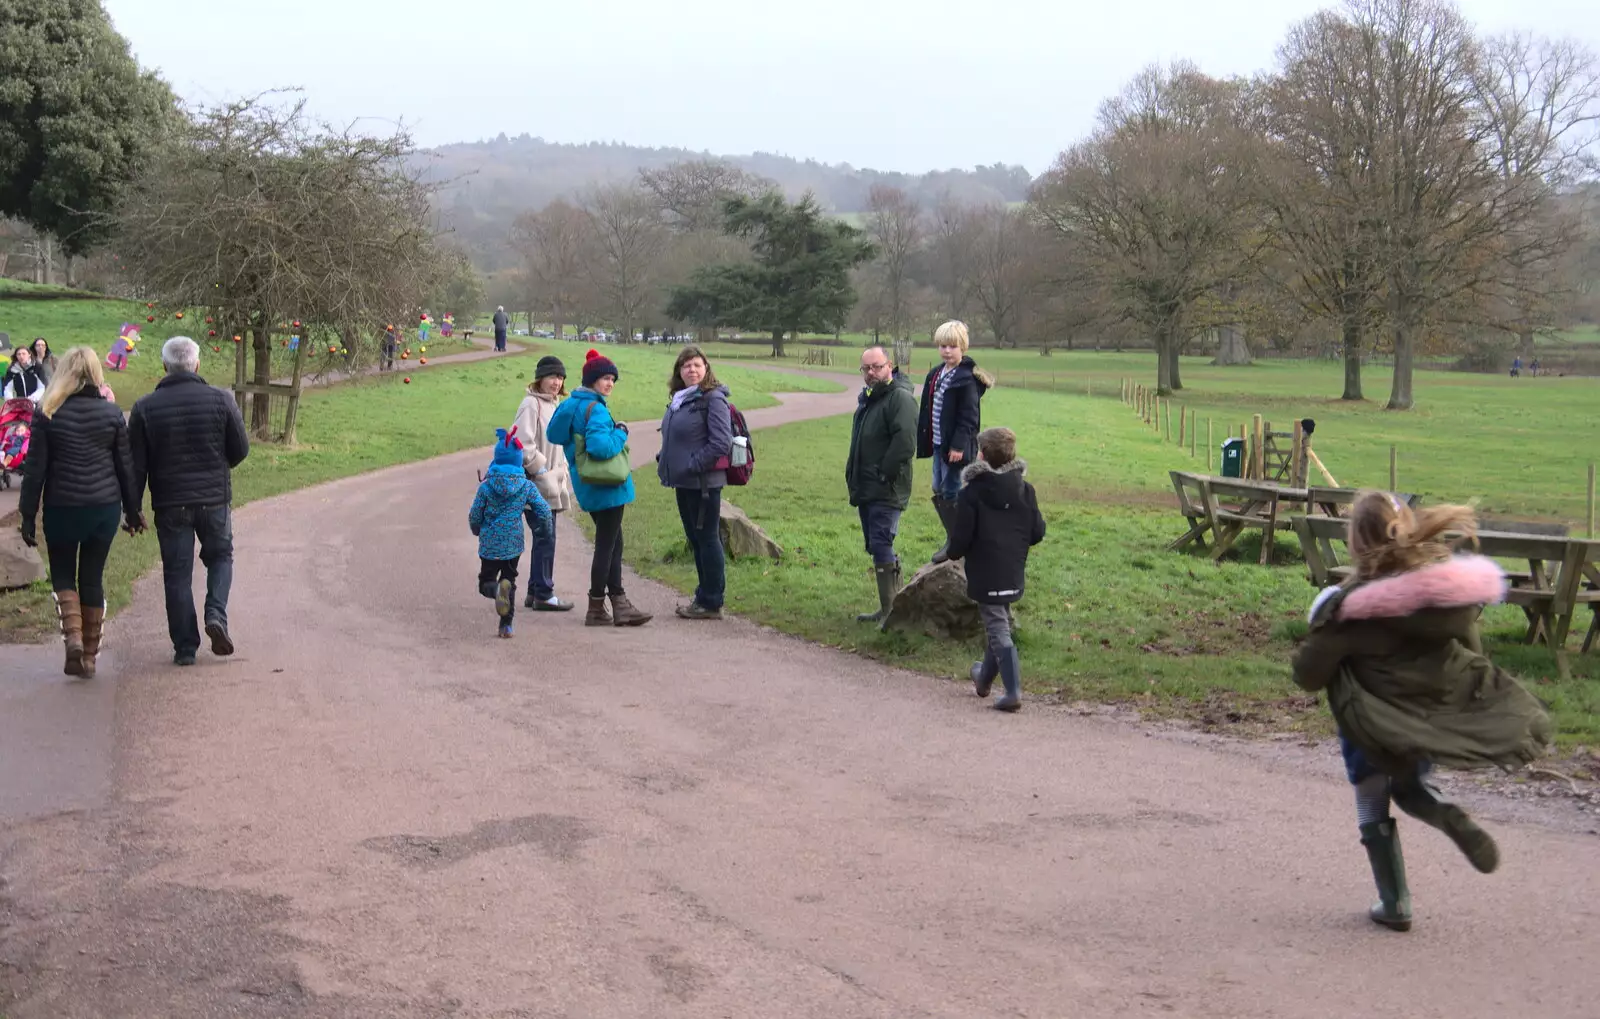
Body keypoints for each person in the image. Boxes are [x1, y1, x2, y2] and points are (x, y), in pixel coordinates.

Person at [1291, 492, 1552, 933]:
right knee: (1409, 789)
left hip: (1371, 727)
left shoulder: (1350, 609)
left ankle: (1395, 903)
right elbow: (1470, 653)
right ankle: (1440, 809)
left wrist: (1320, 625)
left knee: (1372, 804)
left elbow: (1309, 674)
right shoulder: (1442, 601)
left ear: (1355, 542)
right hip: (1425, 723)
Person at [17, 347, 143, 678]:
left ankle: (72, 639)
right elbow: (125, 468)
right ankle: (88, 656)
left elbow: (35, 471)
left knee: (62, 574)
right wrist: (133, 511)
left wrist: (28, 516)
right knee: (91, 577)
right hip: (103, 509)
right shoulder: (112, 414)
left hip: (62, 507)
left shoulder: (48, 412)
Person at [129, 336, 250, 667]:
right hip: (214, 499)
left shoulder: (143, 408)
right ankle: (216, 614)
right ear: (197, 364)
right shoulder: (221, 399)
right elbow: (240, 450)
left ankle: (184, 647)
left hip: (170, 503)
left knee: (177, 574)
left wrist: (132, 508)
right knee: (221, 556)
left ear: (164, 366)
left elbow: (135, 467)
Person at [546, 349, 651, 628]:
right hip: (608, 486)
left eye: (612, 379)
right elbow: (600, 447)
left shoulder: (570, 404)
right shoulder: (598, 410)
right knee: (608, 545)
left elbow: (554, 434)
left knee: (613, 542)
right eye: (605, 378)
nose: (609, 384)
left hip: (587, 484)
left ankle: (616, 604)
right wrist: (621, 432)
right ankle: (599, 606)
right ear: (592, 379)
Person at [945, 428, 1046, 712]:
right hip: (1012, 569)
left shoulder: (971, 493)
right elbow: (1037, 532)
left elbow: (961, 539)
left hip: (985, 571)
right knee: (998, 621)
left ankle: (1013, 691)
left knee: (998, 627)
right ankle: (984, 679)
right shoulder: (1026, 491)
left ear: (983, 455)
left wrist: (952, 553)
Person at [657, 346, 733, 620]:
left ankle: (712, 601)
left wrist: (693, 465)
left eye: (697, 365)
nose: (692, 369)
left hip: (703, 484)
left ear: (706, 369)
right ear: (679, 371)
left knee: (707, 538)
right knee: (696, 539)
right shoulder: (682, 399)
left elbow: (720, 442)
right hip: (685, 482)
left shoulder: (713, 399)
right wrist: (665, 458)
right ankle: (704, 597)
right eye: (686, 365)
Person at [845, 345, 918, 626]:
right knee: (876, 546)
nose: (871, 373)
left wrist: (884, 474)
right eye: (866, 368)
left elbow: (904, 443)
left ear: (890, 366)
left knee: (881, 542)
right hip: (867, 485)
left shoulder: (899, 398)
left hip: (886, 487)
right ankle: (890, 607)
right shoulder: (870, 398)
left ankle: (891, 612)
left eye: (877, 367)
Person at [917, 320, 990, 563]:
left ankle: (957, 542)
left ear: (963, 348)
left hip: (956, 448)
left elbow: (969, 417)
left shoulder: (966, 379)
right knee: (938, 488)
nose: (947, 351)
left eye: (952, 346)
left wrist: (958, 446)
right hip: (939, 443)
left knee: (951, 491)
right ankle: (956, 538)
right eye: (942, 346)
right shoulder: (938, 373)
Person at [469, 428, 554, 638]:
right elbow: (543, 510)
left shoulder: (487, 486)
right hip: (513, 544)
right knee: (510, 582)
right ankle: (506, 626)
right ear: (519, 462)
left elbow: (475, 514)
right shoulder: (526, 486)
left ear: (496, 458)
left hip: (489, 544)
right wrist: (545, 528)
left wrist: (476, 528)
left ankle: (495, 590)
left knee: (486, 582)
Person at [512, 356, 577, 611]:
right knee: (545, 536)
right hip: (537, 484)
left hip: (552, 482)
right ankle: (544, 592)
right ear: (540, 378)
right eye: (552, 377)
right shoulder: (531, 405)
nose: (556, 382)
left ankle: (534, 591)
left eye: (560, 378)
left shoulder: (555, 405)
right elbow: (521, 443)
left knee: (545, 536)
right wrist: (542, 470)